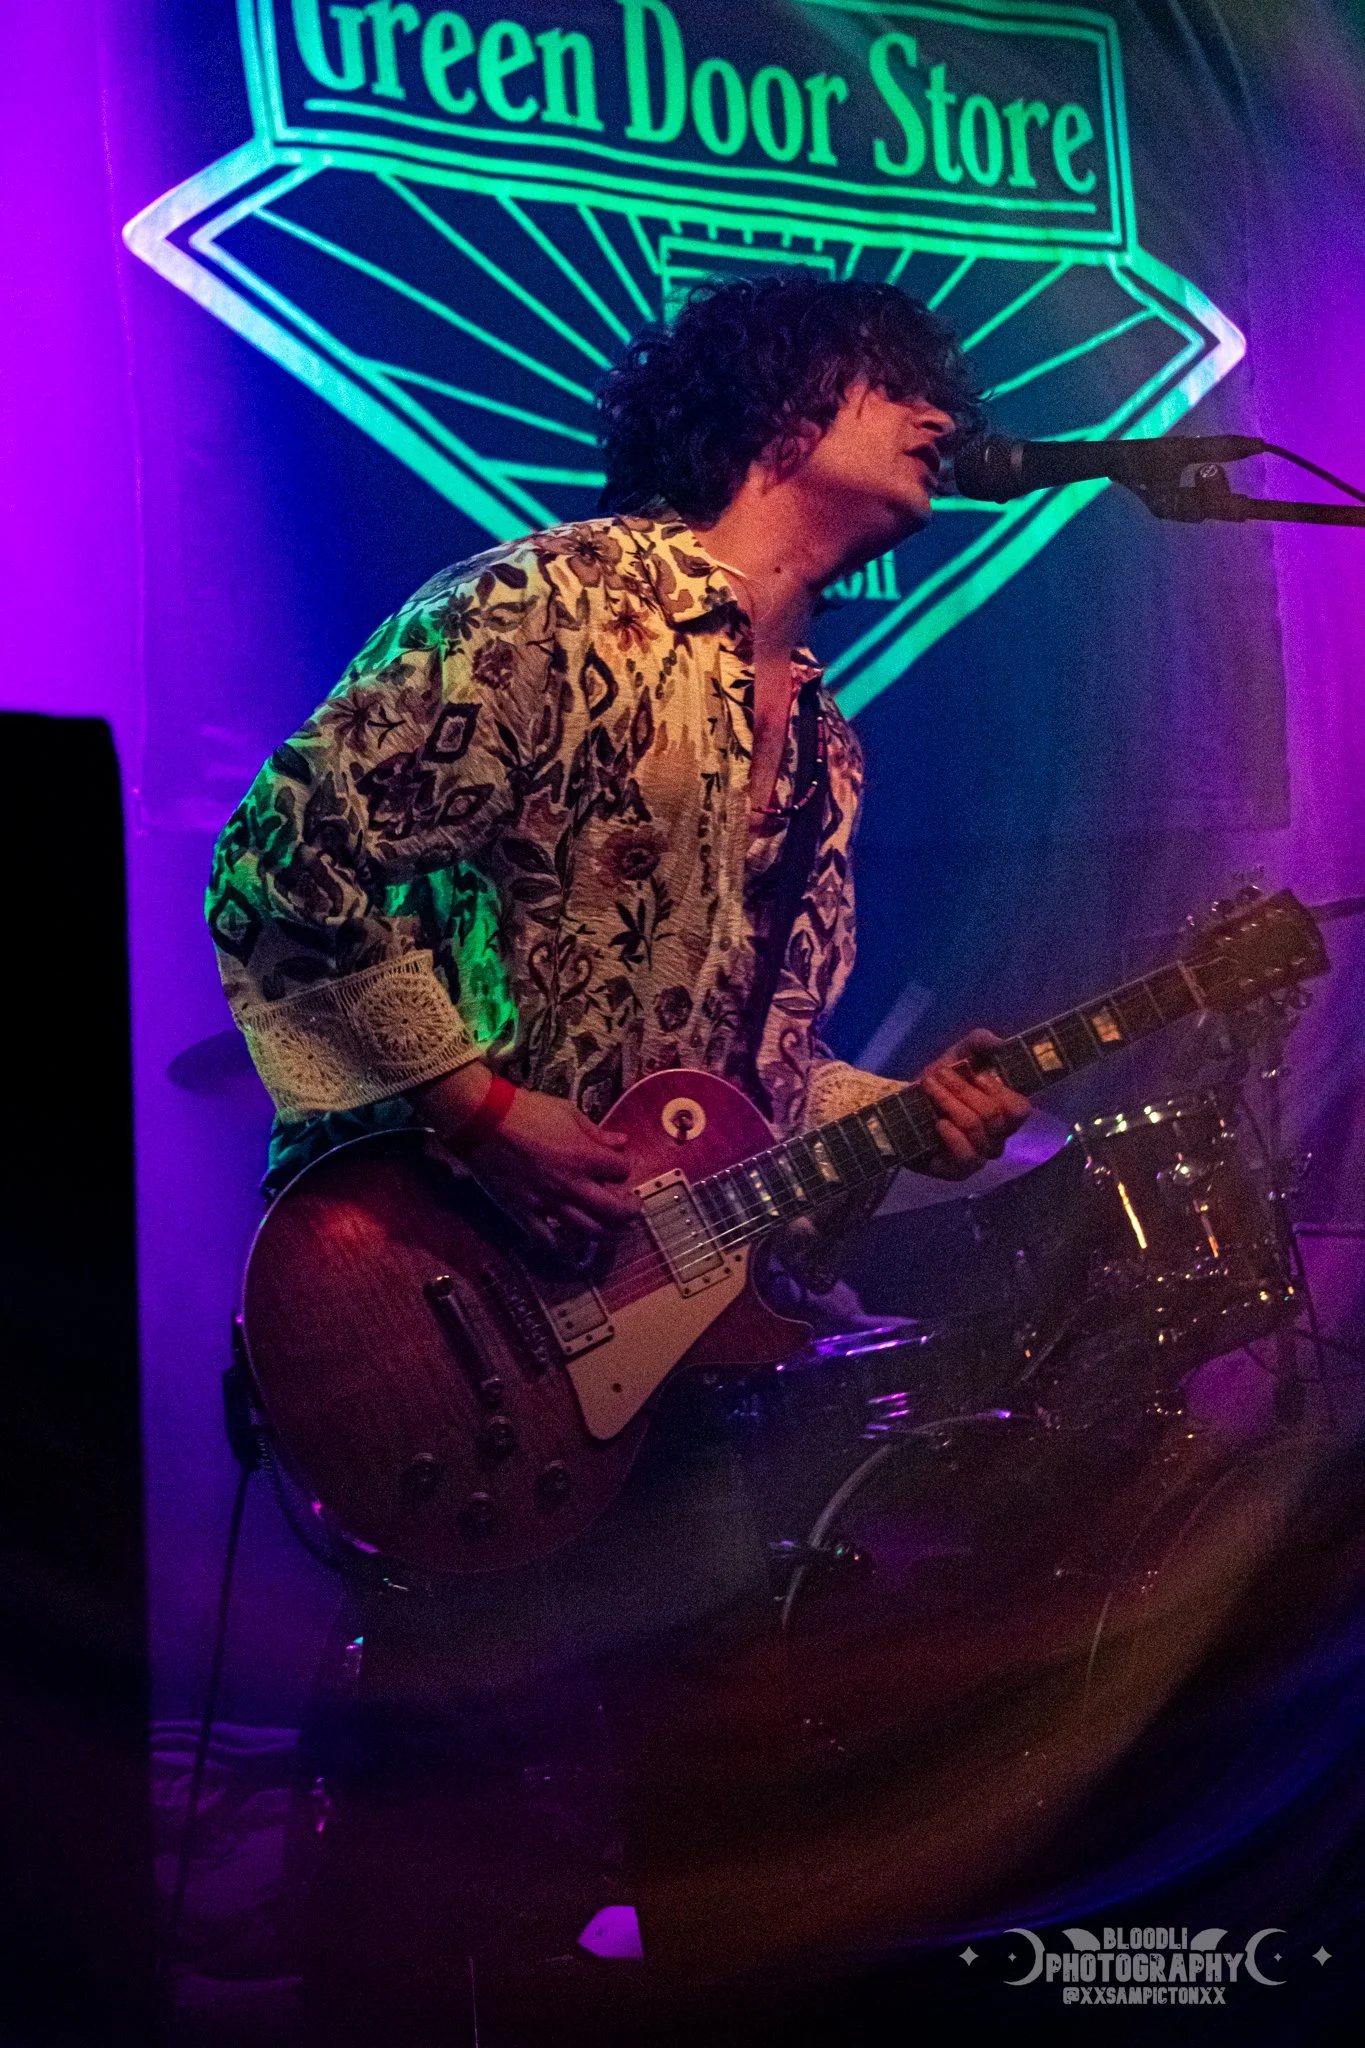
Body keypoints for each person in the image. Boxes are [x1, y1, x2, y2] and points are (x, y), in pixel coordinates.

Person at [207, 275, 1030, 2045]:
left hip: (667, 1357)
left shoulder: (825, 740)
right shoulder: (557, 609)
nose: (944, 415)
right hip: (443, 1307)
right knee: (437, 1834)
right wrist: (484, 1109)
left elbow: (748, 1081)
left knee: (725, 1822)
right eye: (901, 383)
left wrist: (911, 1121)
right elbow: (281, 869)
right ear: (784, 406)